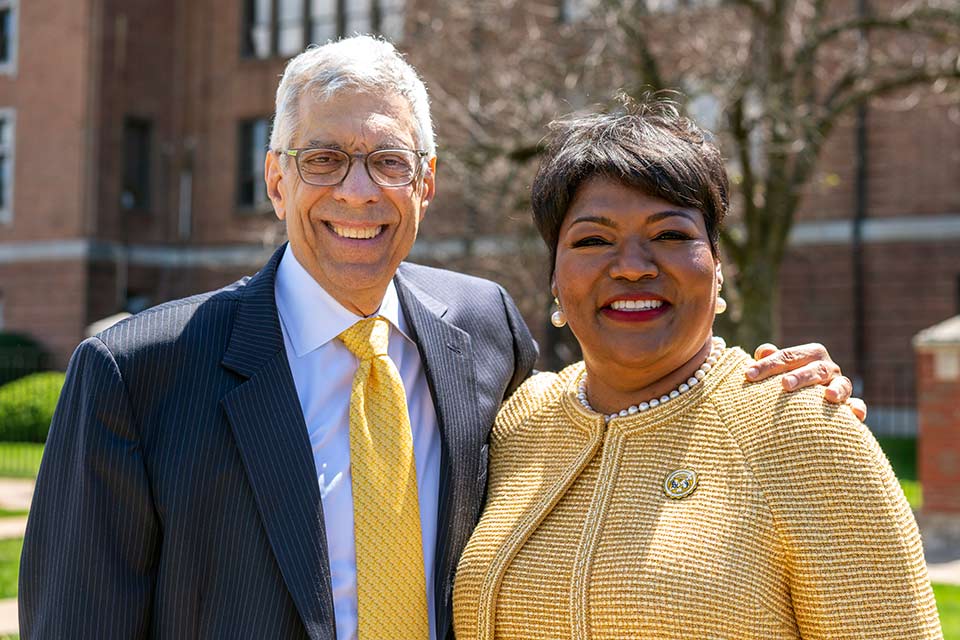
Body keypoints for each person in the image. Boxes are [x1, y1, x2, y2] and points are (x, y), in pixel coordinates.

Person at [21, 38, 861, 640]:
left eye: (389, 161)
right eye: (323, 160)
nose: (359, 191)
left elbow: (614, 411)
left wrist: (779, 385)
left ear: (426, 182)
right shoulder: (138, 375)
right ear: (275, 178)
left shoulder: (484, 330)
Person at [453, 101, 940, 639]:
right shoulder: (517, 423)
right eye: (593, 240)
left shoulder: (801, 429)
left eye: (670, 236)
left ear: (717, 269)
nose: (633, 266)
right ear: (555, 280)